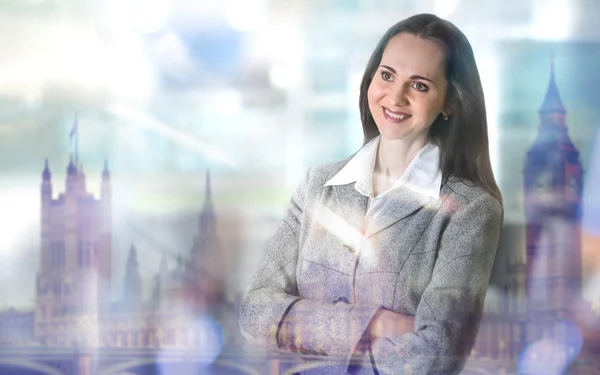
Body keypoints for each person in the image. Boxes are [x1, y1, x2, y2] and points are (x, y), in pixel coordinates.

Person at [239, 13, 503, 375]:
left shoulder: (471, 210)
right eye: (387, 75)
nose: (395, 97)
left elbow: (435, 356)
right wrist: (375, 324)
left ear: (451, 102)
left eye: (420, 85)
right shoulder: (317, 186)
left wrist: (297, 325)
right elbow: (255, 312)